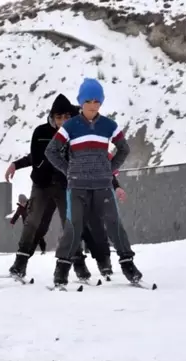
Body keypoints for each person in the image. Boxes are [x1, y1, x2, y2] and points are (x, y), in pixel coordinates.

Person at [45, 78, 142, 287]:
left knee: (114, 224)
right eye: (88, 100)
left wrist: (109, 169)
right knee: (74, 226)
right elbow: (51, 151)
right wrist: (68, 170)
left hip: (103, 186)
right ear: (81, 101)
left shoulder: (109, 126)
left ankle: (128, 265)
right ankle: (61, 270)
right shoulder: (70, 126)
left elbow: (123, 148)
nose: (92, 105)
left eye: (97, 101)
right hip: (77, 186)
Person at [5, 94, 93, 280]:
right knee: (32, 222)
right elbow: (35, 158)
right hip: (42, 185)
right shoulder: (41, 132)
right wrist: (16, 164)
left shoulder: (77, 134)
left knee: (69, 224)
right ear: (52, 118)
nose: (62, 121)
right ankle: (20, 263)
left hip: (65, 186)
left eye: (66, 117)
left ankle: (79, 265)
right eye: (58, 117)